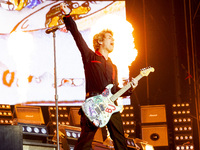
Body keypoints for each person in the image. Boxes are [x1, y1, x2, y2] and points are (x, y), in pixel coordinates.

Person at [60, 3, 138, 150]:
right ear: (101, 41)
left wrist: (130, 88)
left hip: (110, 106)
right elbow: (77, 36)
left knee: (120, 141)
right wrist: (67, 16)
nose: (112, 40)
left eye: (113, 38)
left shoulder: (113, 66)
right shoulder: (90, 56)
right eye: (109, 37)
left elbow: (115, 90)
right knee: (85, 142)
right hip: (93, 104)